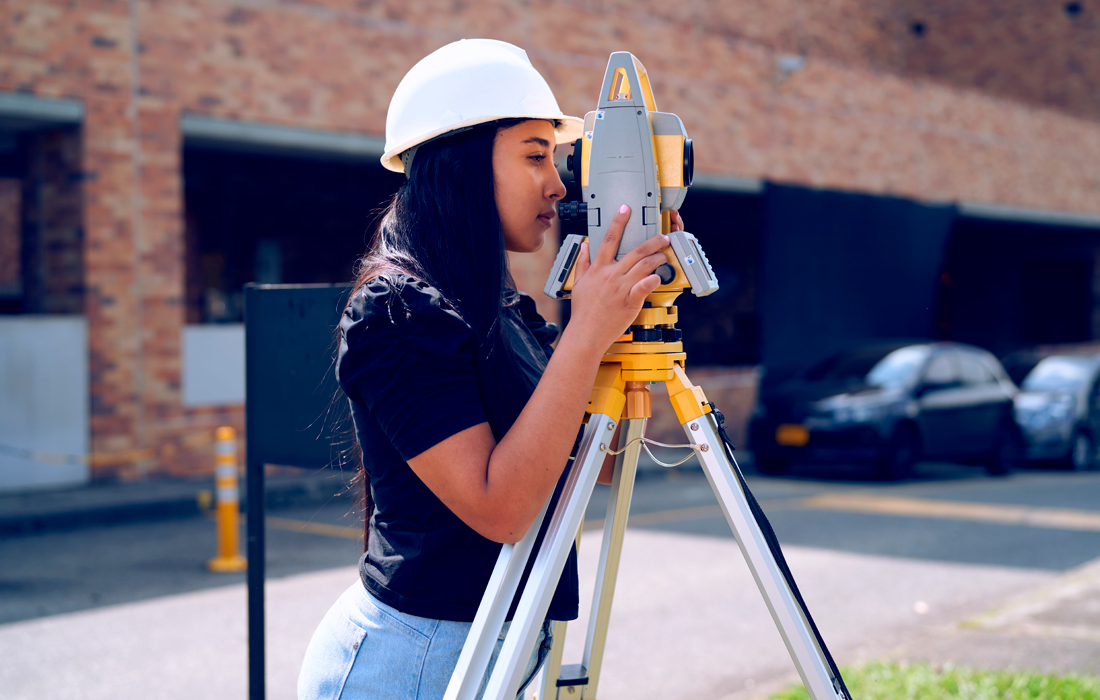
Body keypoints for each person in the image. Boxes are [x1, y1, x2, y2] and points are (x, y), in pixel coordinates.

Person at [297, 39, 681, 700]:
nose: (559, 183)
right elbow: (502, 510)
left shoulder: (496, 303)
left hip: (492, 652)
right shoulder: (396, 313)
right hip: (410, 666)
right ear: (462, 163)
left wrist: (622, 326)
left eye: (557, 158)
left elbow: (590, 461)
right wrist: (585, 332)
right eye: (535, 155)